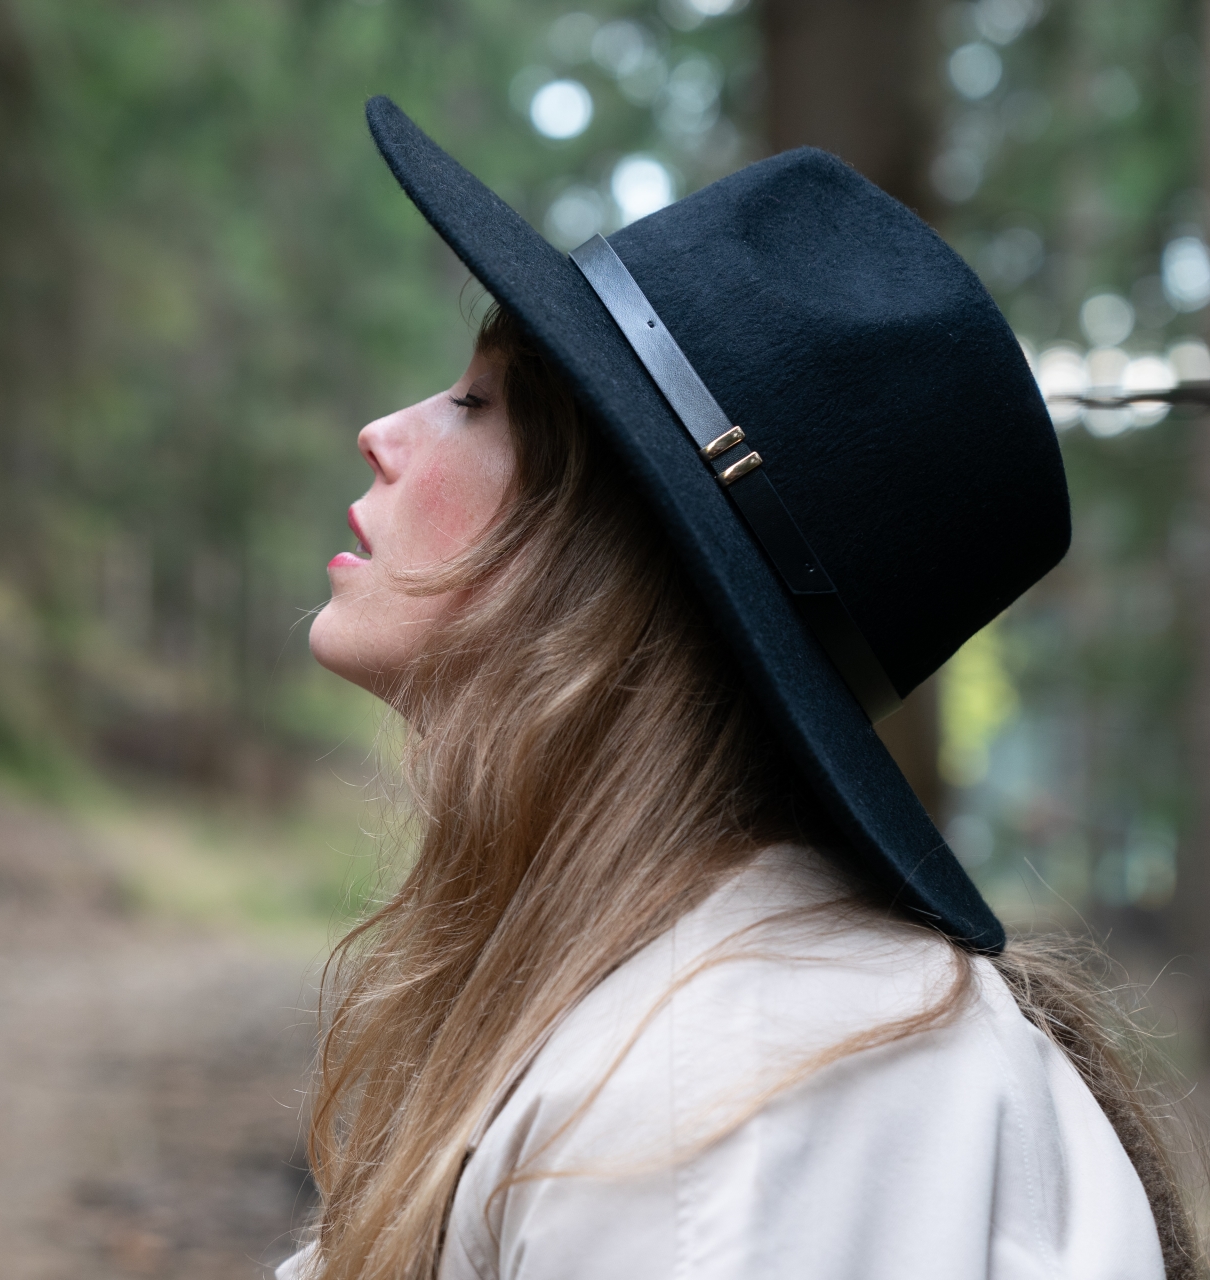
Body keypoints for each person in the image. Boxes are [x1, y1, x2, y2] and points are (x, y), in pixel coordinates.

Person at [278, 98, 1197, 1280]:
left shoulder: (735, 1093)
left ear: (616, 551)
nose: (380, 431)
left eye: (477, 401)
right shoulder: (690, 1021)